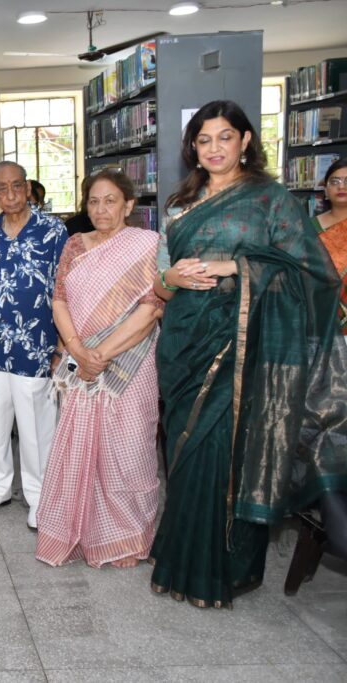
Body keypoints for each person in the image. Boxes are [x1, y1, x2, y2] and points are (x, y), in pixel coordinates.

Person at [150, 100, 347, 608]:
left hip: (246, 344)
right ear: (192, 148)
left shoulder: (270, 199)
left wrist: (237, 268)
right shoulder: (178, 205)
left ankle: (222, 570)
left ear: (245, 141)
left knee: (230, 451)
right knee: (185, 452)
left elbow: (312, 271)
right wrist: (169, 278)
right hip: (183, 341)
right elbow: (162, 281)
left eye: (225, 137)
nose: (214, 148)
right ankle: (181, 560)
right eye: (204, 140)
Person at [34, 168, 162, 569]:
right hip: (82, 361)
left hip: (130, 362)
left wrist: (100, 353)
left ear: (129, 205)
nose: (101, 209)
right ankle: (86, 532)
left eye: (110, 201)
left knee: (129, 450)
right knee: (80, 450)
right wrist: (77, 349)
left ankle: (125, 536)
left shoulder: (149, 244)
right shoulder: (75, 244)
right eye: (93, 201)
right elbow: (59, 300)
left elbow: (151, 308)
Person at [0, 161, 68, 530]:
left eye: (16, 187)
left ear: (27, 188)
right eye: (1, 189)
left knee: (35, 426)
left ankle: (39, 496)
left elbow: (63, 290)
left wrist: (61, 346)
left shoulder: (53, 231)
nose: (10, 195)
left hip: (35, 345)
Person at [313, 159, 347, 335]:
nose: (341, 186)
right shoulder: (309, 226)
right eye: (334, 181)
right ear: (325, 190)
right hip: (319, 312)